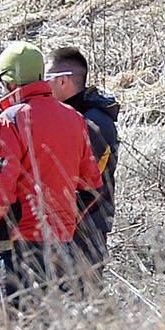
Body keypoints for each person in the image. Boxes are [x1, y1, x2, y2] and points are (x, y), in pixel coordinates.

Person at [0, 42, 104, 315]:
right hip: (62, 246)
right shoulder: (74, 118)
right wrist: (66, 220)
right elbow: (91, 185)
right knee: (54, 326)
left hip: (19, 245)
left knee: (19, 325)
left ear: (10, 81)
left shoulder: (9, 121)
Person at [49, 46, 121, 290]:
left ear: (62, 81)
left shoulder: (93, 122)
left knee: (82, 299)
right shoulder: (72, 116)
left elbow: (87, 182)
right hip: (70, 226)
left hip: (86, 227)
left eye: (46, 78)